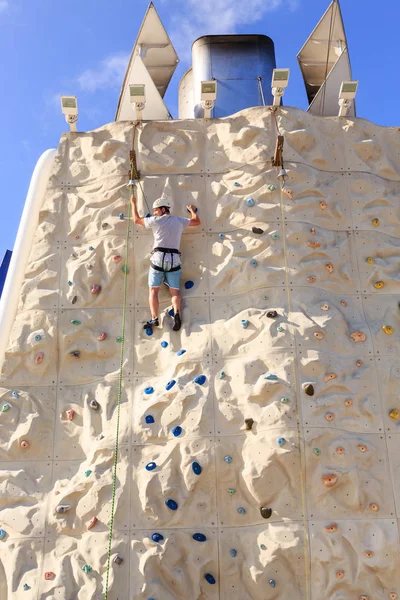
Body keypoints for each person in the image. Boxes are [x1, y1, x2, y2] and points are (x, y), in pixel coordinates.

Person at [131, 188, 201, 331]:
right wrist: (192, 210)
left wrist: (133, 203)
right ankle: (176, 313)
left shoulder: (155, 220)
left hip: (158, 259)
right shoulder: (179, 220)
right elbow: (196, 222)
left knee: (153, 291)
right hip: (174, 260)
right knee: (175, 292)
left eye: (156, 210)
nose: (155, 212)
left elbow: (136, 220)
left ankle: (155, 319)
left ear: (163, 209)